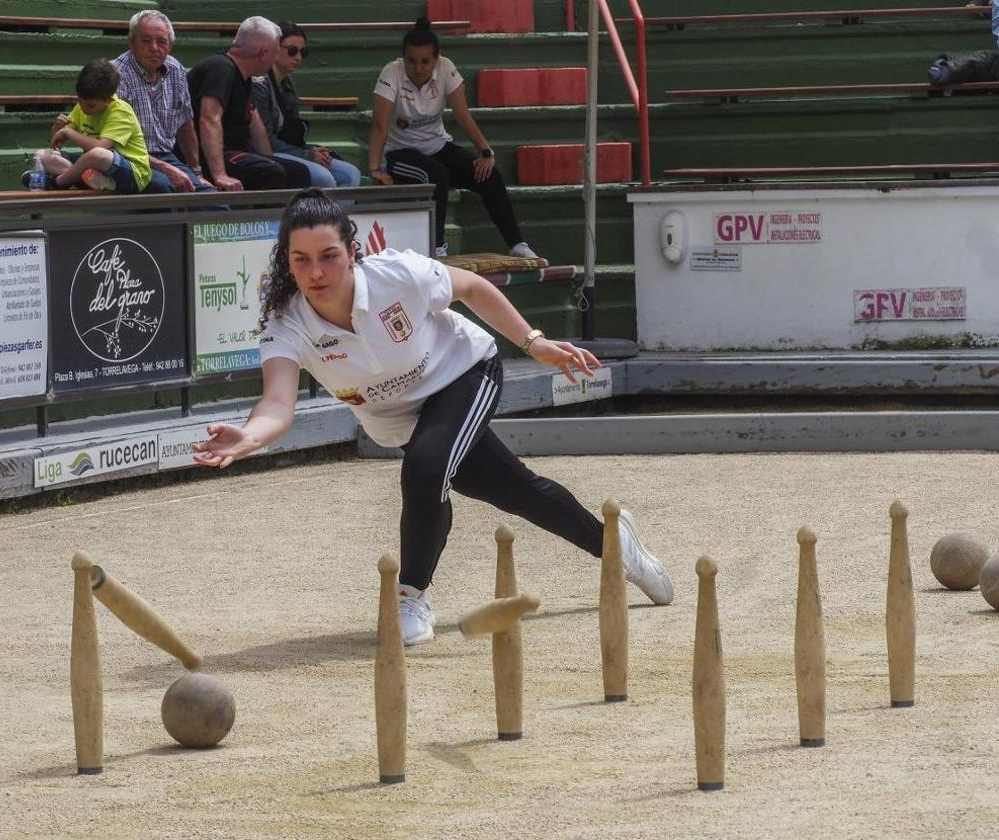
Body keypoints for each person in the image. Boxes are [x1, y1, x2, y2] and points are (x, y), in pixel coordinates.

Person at [192, 189, 673, 647]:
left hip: (464, 372)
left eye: (328, 255)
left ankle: (410, 597)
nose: (316, 271)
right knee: (519, 491)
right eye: (301, 260)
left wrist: (534, 342)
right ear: (287, 260)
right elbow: (277, 403)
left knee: (424, 470)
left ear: (352, 251)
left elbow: (473, 287)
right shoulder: (285, 322)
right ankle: (617, 547)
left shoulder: (397, 275)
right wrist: (248, 437)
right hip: (402, 418)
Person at [368, 17, 535, 259]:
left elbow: (463, 115)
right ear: (403, 59)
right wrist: (375, 168)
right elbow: (379, 124)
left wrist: (485, 152)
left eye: (426, 61)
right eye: (411, 61)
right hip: (401, 153)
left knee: (489, 174)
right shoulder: (391, 72)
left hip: (438, 146)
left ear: (436, 59)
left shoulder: (446, 68)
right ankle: (437, 246)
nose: (418, 68)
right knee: (436, 175)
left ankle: (516, 243)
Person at [186, 16, 311, 192]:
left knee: (298, 172)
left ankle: (290, 219)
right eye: (275, 52)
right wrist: (220, 175)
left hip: (236, 153)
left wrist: (269, 157)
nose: (275, 57)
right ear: (263, 53)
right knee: (271, 172)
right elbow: (208, 119)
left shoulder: (245, 77)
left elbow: (254, 122)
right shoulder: (221, 68)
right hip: (210, 157)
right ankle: (259, 220)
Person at [24, 58, 167, 194]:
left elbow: (101, 147)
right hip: (95, 167)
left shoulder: (121, 111)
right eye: (80, 101)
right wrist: (57, 129)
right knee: (42, 156)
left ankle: (57, 183)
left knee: (97, 154)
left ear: (108, 100)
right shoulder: (82, 107)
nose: (84, 108)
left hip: (132, 173)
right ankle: (97, 181)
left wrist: (69, 133)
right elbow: (55, 144)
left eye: (91, 105)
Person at [112, 10, 214, 193]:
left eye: (161, 42)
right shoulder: (115, 74)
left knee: (207, 195)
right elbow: (117, 144)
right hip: (128, 158)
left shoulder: (176, 69)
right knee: (165, 188)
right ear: (131, 43)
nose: (154, 47)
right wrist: (166, 169)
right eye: (145, 41)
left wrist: (196, 171)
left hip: (166, 155)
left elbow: (185, 123)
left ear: (170, 46)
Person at [252, 22, 362, 190]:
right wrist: (308, 155)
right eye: (292, 51)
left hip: (289, 149)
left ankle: (331, 216)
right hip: (267, 152)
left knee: (351, 174)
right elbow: (265, 141)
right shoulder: (259, 84)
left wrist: (314, 150)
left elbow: (291, 134)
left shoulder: (288, 83)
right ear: (274, 48)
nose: (298, 57)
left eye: (303, 52)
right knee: (323, 178)